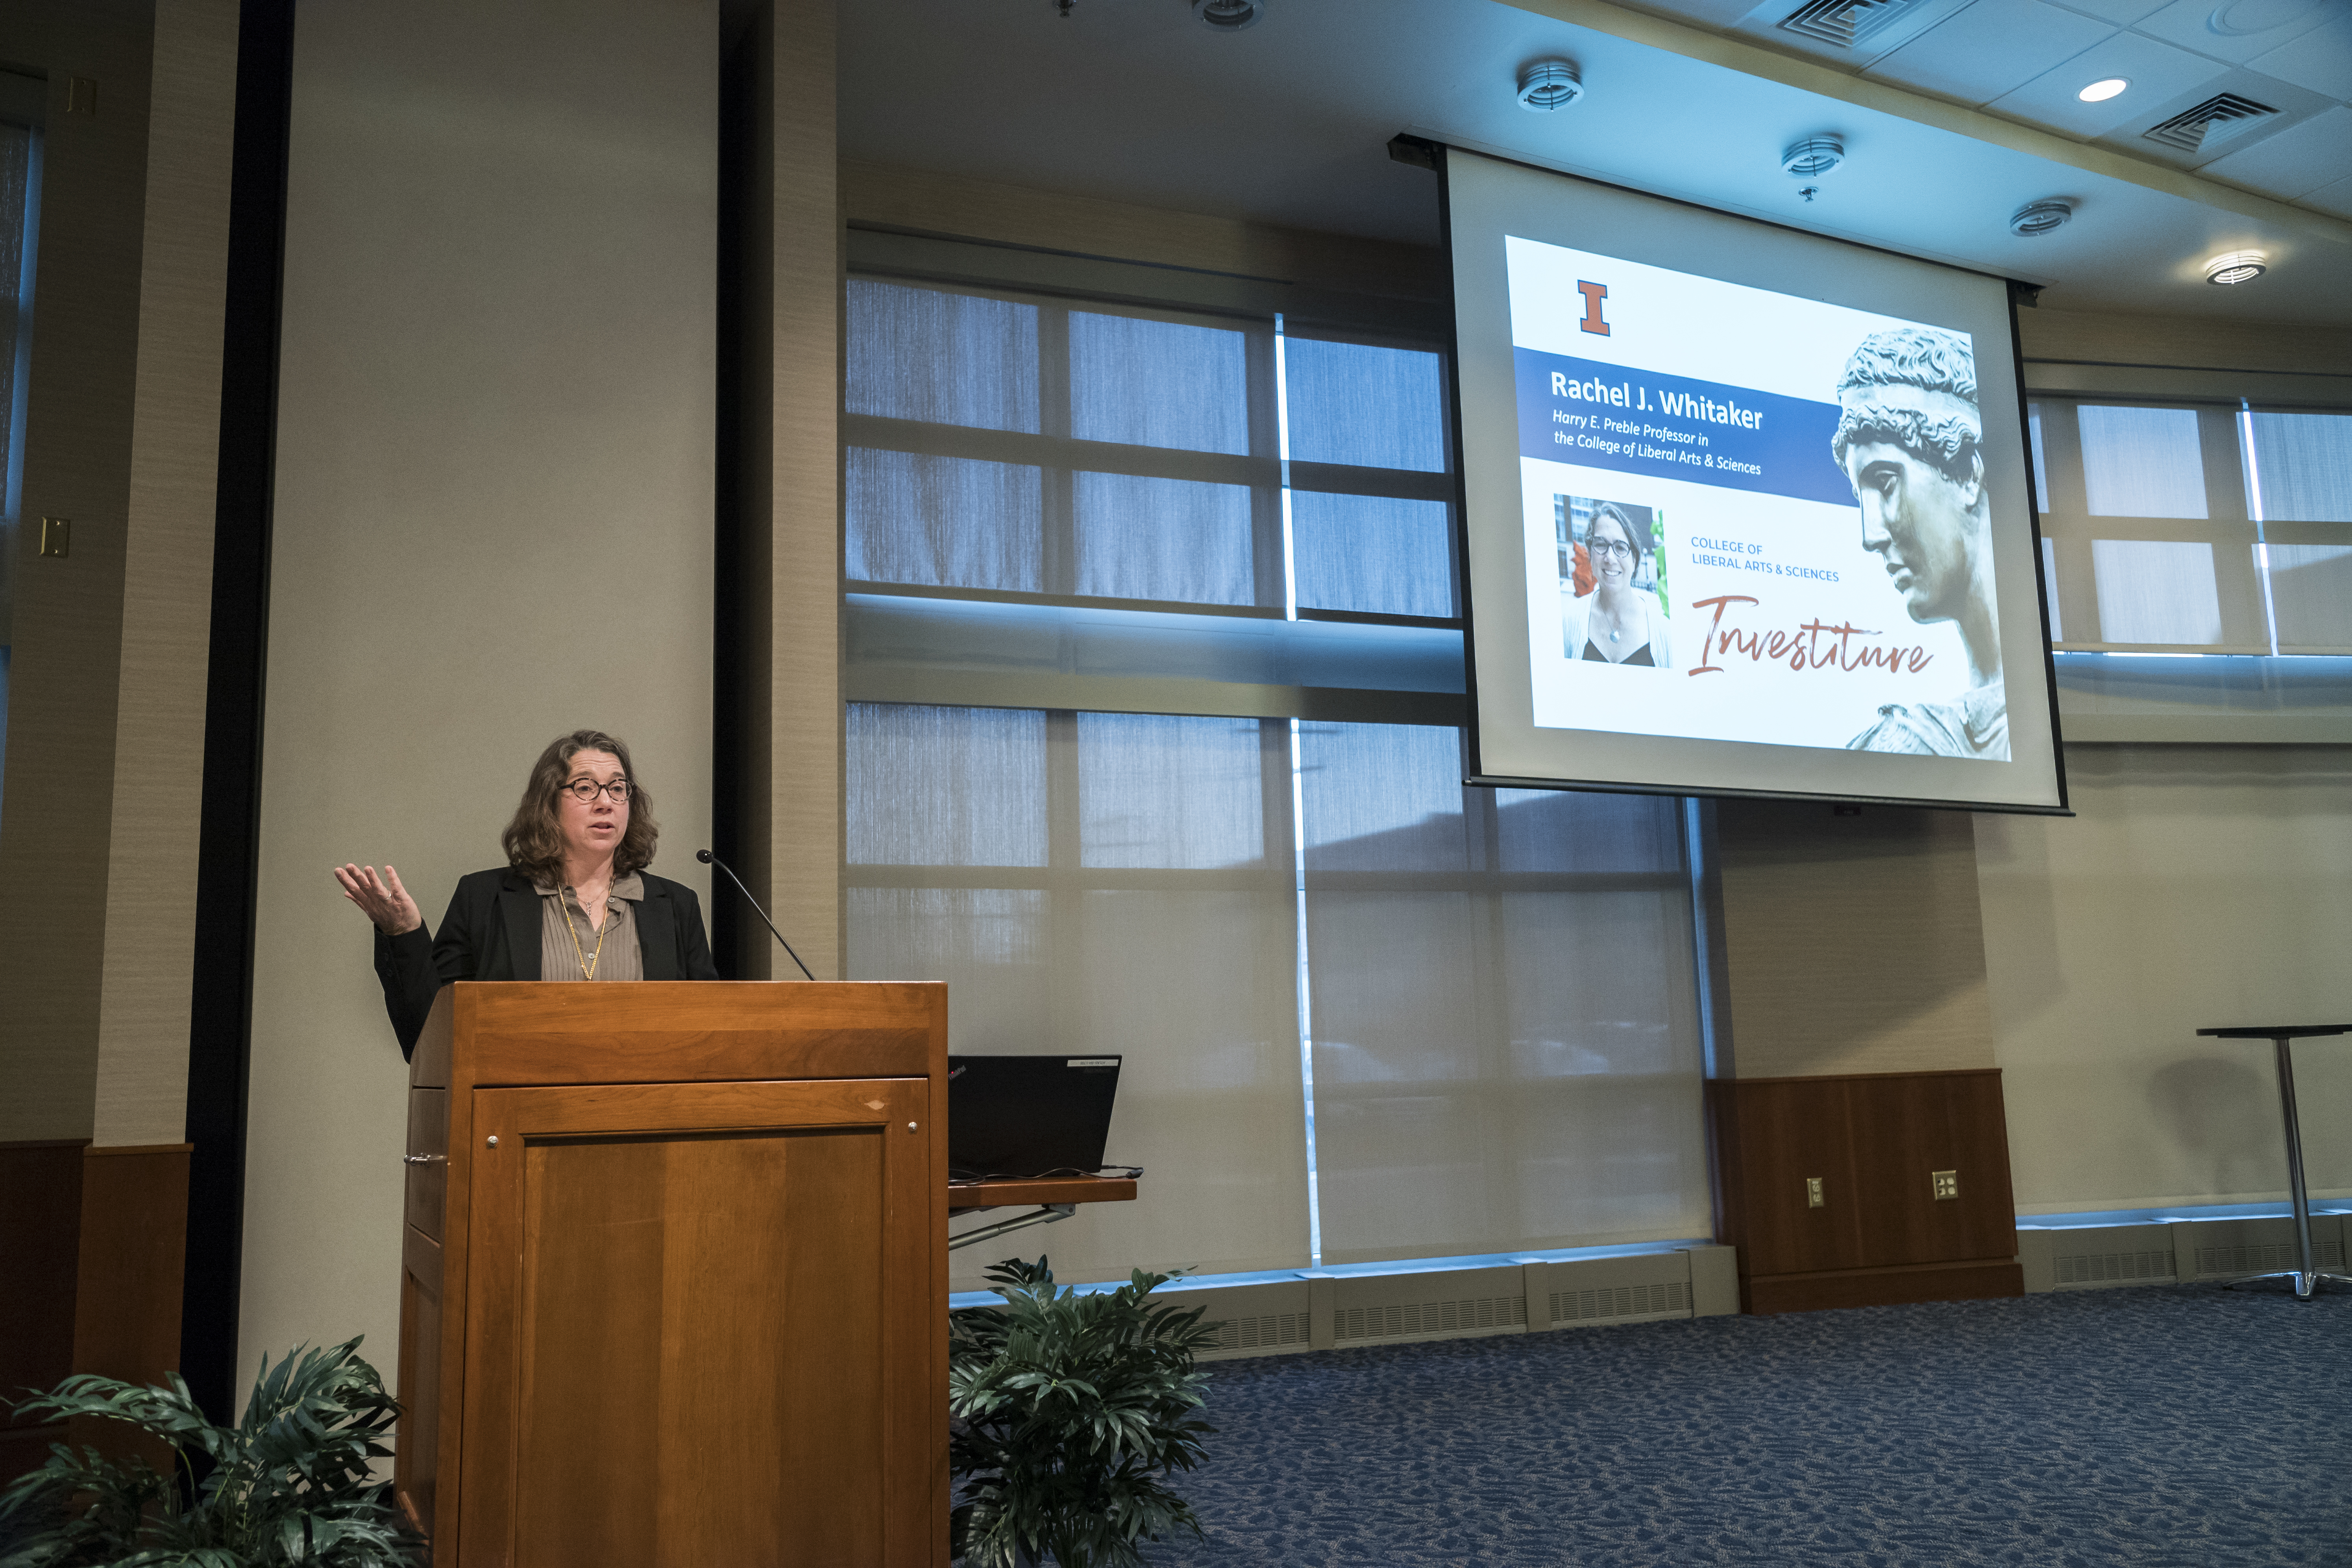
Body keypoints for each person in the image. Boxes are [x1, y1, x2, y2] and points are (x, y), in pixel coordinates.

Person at [336, 729, 719, 1060]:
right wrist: (404, 933)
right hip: (517, 1124)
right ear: (549, 804)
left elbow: (710, 1034)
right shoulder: (484, 898)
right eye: (586, 788)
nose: (606, 801)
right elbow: (427, 1039)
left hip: (644, 1122)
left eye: (618, 789)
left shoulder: (675, 907)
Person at [1831, 327, 2009, 760]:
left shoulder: (1919, 745)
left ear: (1968, 473)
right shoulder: (1910, 739)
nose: (1870, 535)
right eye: (1861, 497)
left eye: (1885, 483)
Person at [1562, 502, 1672, 668]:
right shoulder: (1569, 621)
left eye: (1621, 548)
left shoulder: (1665, 633)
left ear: (1634, 560)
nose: (1610, 558)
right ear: (1591, 555)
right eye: (1601, 545)